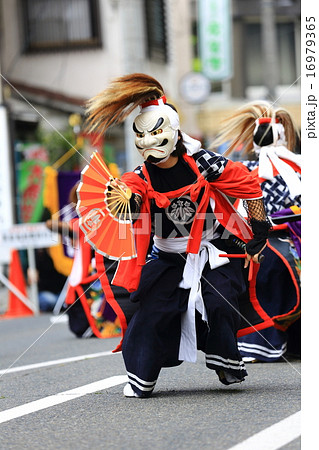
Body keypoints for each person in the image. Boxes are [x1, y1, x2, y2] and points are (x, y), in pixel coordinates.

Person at [84, 73, 271, 398]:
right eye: (142, 136)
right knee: (153, 312)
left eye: (156, 134)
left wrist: (259, 229)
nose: (149, 143)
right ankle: (143, 377)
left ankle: (226, 363)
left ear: (172, 133)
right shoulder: (140, 175)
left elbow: (247, 184)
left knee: (220, 303)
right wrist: (124, 198)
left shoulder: (204, 163)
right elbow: (133, 190)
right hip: (168, 258)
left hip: (213, 254)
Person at [211, 101, 301, 362]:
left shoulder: (299, 167)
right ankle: (258, 340)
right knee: (263, 262)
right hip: (257, 239)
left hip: (292, 236)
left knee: (276, 262)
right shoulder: (245, 171)